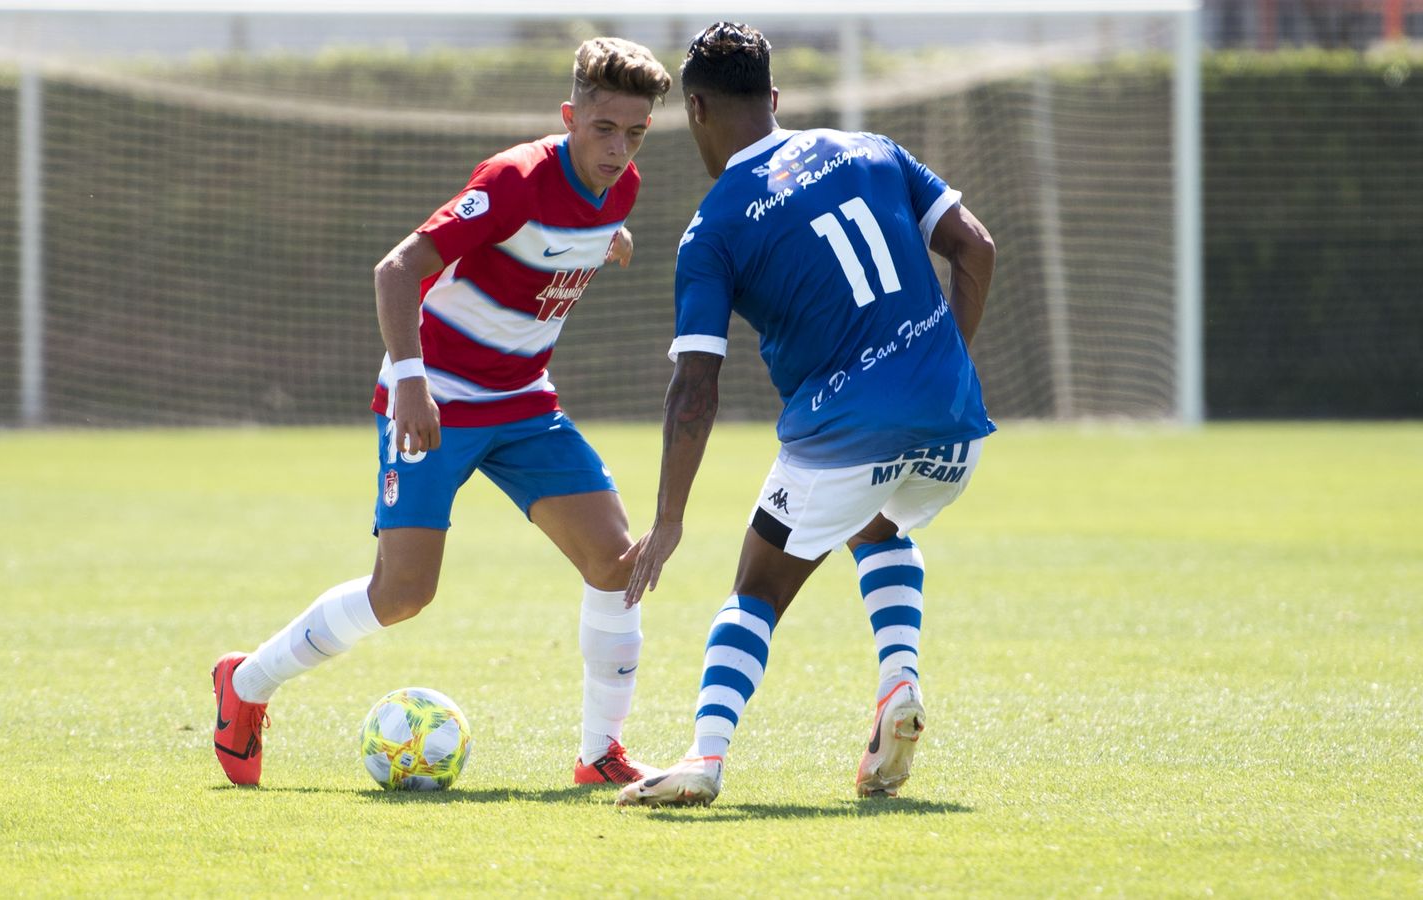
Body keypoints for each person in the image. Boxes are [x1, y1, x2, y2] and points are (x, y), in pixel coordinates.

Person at [211, 38, 673, 788]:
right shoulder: (514, 179)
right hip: (437, 399)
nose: (619, 150)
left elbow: (573, 229)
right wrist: (410, 383)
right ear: (569, 118)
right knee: (403, 593)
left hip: (524, 401)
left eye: (636, 134)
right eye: (604, 130)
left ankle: (600, 754)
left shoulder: (620, 189)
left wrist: (604, 238)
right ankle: (246, 682)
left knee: (617, 565)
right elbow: (396, 269)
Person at [615, 22, 998, 807]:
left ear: (695, 109)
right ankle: (899, 684)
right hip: (954, 424)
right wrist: (938, 368)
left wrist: (670, 516)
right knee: (877, 523)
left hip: (846, 436)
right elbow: (977, 248)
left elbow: (694, 386)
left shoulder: (713, 228)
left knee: (756, 586)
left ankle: (705, 756)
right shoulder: (873, 149)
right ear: (774, 97)